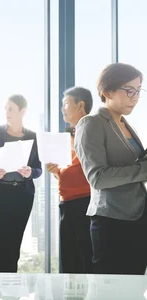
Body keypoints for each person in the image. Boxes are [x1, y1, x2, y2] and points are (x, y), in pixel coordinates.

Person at [75, 63, 147, 275]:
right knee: (111, 289)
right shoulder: (91, 123)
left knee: (133, 288)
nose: (135, 96)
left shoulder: (127, 125)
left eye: (139, 90)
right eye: (129, 90)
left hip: (138, 217)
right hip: (112, 221)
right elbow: (97, 177)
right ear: (107, 91)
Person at [0, 94, 42, 273]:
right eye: (5, 108)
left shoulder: (33, 136)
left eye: (11, 109)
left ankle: (10, 286)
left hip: (22, 195)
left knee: (15, 241)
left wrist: (30, 172)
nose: (6, 112)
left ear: (22, 111)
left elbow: (38, 169)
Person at [45, 87, 93, 274]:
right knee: (70, 260)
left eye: (66, 104)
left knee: (82, 259)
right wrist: (58, 172)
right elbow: (75, 168)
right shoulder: (71, 134)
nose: (62, 109)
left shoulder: (90, 130)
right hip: (69, 204)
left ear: (80, 105)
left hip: (84, 204)